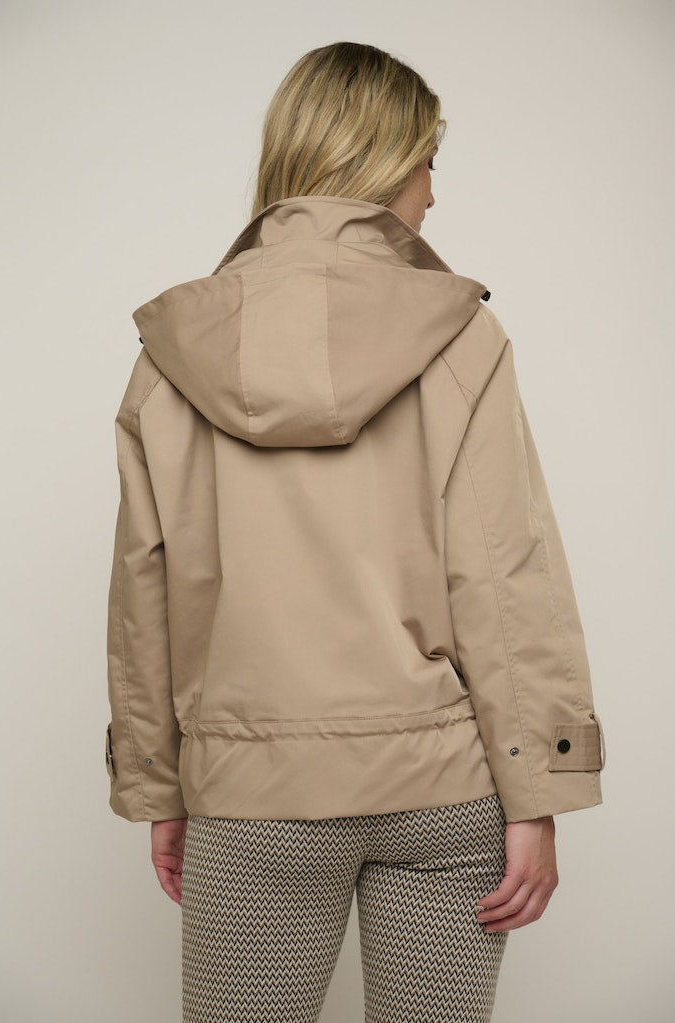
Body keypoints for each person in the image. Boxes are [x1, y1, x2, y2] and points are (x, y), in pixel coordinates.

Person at [105, 40, 606, 1023]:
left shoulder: (172, 348)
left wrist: (159, 785)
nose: (433, 193)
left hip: (251, 796)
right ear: (383, 161)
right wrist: (538, 791)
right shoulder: (461, 336)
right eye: (427, 162)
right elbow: (503, 574)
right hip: (444, 796)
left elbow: (143, 590)